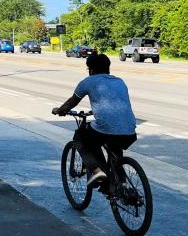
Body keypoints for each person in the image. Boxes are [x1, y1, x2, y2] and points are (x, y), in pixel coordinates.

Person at [52, 52, 137, 189]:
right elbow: (115, 103)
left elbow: (71, 102)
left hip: (105, 129)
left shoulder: (88, 82)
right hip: (130, 130)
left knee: (80, 138)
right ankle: (120, 184)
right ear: (108, 68)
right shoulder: (120, 81)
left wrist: (60, 110)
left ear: (91, 69)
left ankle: (97, 171)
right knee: (114, 148)